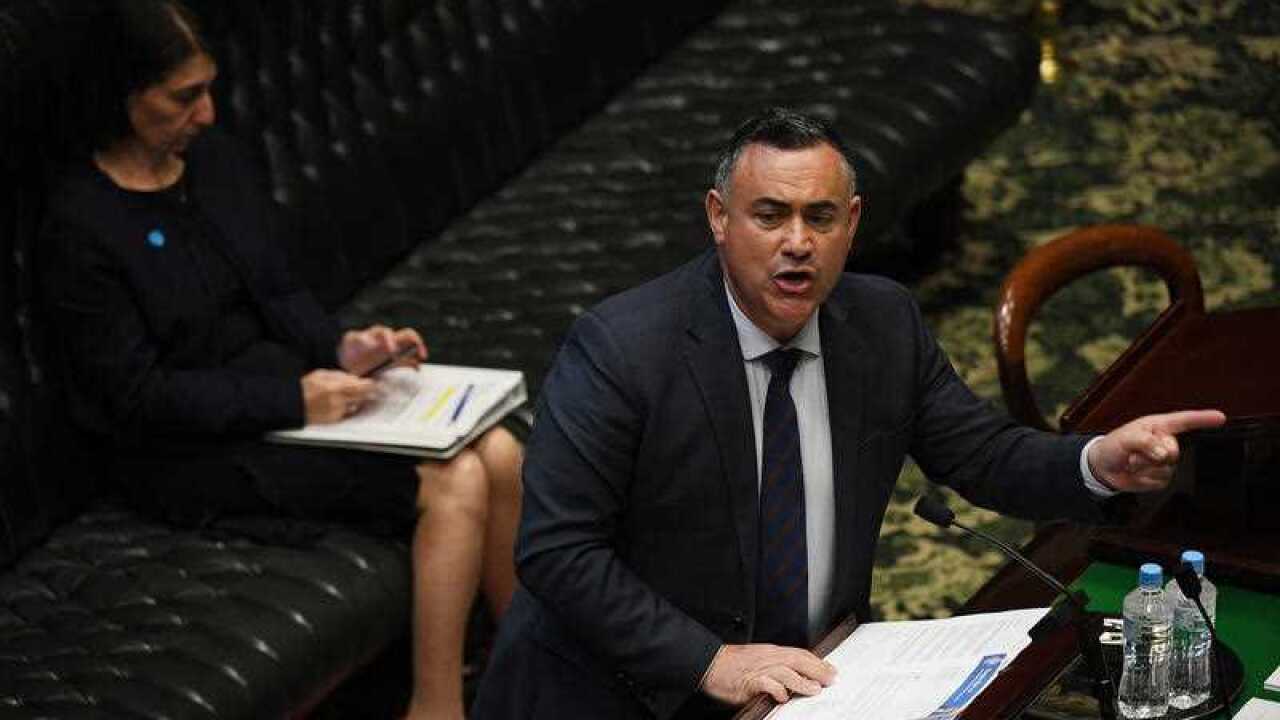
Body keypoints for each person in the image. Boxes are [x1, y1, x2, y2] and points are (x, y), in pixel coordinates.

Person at [470, 107, 1226, 720]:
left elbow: (980, 454)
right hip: (628, 692)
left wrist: (1095, 462)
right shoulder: (623, 349)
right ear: (718, 218)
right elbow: (557, 552)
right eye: (770, 215)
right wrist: (709, 661)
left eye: (820, 217)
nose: (797, 244)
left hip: (812, 681)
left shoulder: (881, 323)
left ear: (852, 223)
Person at [37, 2, 520, 718]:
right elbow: (135, 398)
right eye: (183, 96)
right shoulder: (80, 228)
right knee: (452, 480)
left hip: (286, 392)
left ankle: (529, 668)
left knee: (502, 449)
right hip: (187, 449)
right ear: (123, 94)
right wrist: (293, 401)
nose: (206, 113)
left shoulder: (213, 162)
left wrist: (345, 351)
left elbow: (276, 287)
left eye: (208, 89)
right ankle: (437, 705)